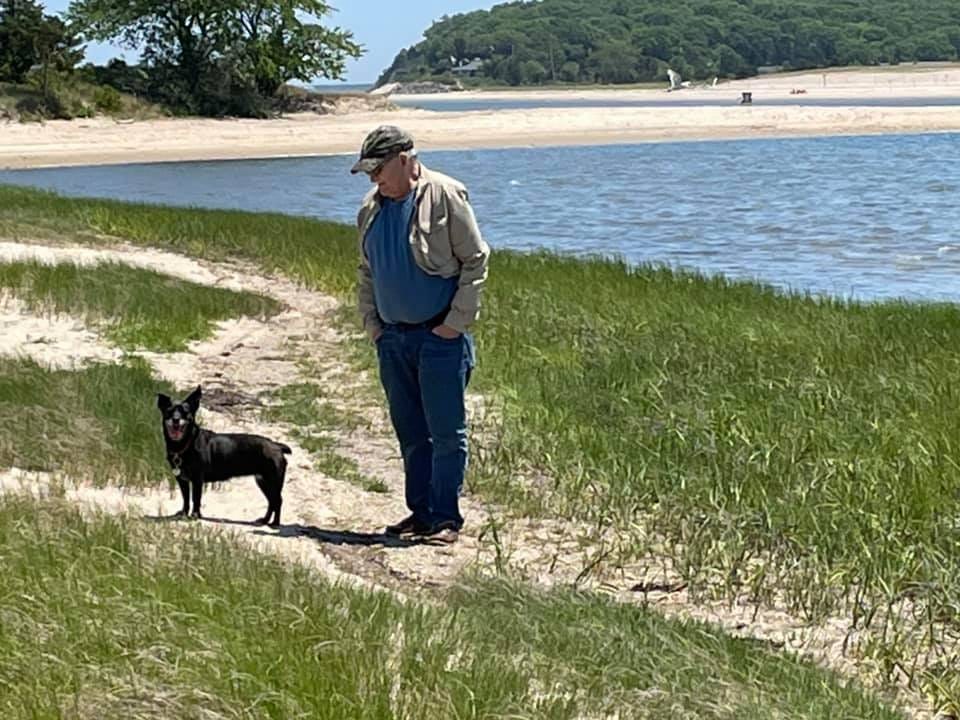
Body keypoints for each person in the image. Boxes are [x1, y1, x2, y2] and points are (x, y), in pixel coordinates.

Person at [351, 125, 490, 544]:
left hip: (439, 338)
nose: (375, 179)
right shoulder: (370, 208)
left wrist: (454, 325)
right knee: (410, 431)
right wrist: (373, 326)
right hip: (392, 339)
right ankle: (421, 512)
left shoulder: (446, 194)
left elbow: (476, 262)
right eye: (369, 172)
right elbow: (366, 272)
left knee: (446, 432)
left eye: (379, 169)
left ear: (406, 159)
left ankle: (446, 517)